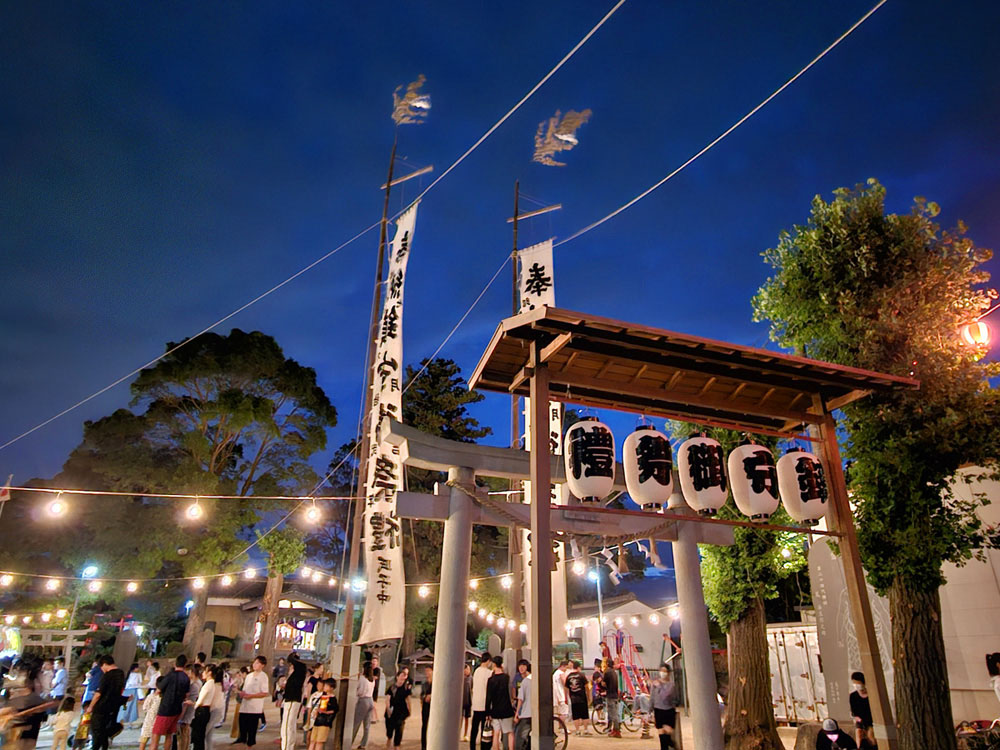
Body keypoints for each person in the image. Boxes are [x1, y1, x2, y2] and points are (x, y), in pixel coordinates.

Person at [151, 654, 191, 750]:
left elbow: (159, 690)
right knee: (169, 734)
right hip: (177, 709)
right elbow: (187, 695)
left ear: (175, 663)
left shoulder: (170, 676)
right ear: (185, 664)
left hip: (165, 709)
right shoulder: (186, 678)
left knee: (156, 735)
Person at [90, 655, 126, 750]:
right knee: (105, 732)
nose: (102, 669)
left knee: (97, 732)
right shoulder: (121, 674)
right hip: (113, 708)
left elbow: (98, 694)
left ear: (105, 664)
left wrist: (90, 707)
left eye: (102, 667)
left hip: (101, 707)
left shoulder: (107, 676)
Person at [236, 656, 269, 748]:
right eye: (254, 662)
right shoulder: (249, 676)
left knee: (251, 730)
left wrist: (251, 696)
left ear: (262, 665)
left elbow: (264, 693)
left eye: (257, 663)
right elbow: (245, 689)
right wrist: (241, 693)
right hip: (244, 706)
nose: (255, 665)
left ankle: (249, 746)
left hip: (255, 708)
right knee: (242, 727)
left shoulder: (263, 676)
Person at [191, 664, 224, 750]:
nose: (202, 673)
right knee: (203, 735)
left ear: (209, 673)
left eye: (204, 671)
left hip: (202, 710)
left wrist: (194, 705)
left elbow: (201, 700)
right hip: (205, 710)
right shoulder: (212, 683)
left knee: (199, 736)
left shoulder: (208, 684)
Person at [484, 656, 514, 750]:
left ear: (493, 664)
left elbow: (488, 697)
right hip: (507, 709)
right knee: (510, 732)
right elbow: (510, 694)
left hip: (495, 710)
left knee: (496, 733)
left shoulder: (491, 680)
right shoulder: (506, 678)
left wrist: (487, 712)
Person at [279, 652, 307, 750]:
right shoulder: (294, 675)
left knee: (287, 725)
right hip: (290, 699)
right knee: (290, 725)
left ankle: (286, 747)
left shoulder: (300, 671)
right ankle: (288, 746)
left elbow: (295, 661)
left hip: (292, 700)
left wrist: (294, 657)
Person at [651, 663, 678, 749]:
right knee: (662, 736)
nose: (663, 673)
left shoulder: (671, 685)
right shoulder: (655, 684)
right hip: (658, 710)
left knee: (667, 734)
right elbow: (652, 698)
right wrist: (649, 712)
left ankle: (672, 744)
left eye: (665, 671)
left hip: (669, 710)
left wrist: (659, 686)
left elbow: (666, 695)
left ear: (668, 673)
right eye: (661, 671)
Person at [383, 667, 411, 750]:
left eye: (404, 676)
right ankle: (389, 739)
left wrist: (410, 710)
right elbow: (388, 698)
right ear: (397, 677)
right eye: (401, 675)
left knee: (399, 728)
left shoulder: (406, 688)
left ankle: (397, 745)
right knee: (389, 728)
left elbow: (408, 699)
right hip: (391, 711)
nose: (403, 678)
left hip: (401, 712)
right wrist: (388, 708)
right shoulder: (392, 687)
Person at [177, 662, 203, 750]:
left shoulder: (194, 685)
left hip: (188, 712)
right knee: (186, 733)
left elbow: (188, 701)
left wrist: (181, 715)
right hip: (190, 712)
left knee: (184, 733)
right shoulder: (198, 683)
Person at [469, 654, 493, 750]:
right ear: (488, 661)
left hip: (476, 704)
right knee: (484, 728)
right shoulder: (489, 673)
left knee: (474, 728)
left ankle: (472, 747)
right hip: (484, 704)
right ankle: (484, 747)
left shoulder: (476, 671)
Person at [307, 680, 338, 750]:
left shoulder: (332, 698)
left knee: (319, 742)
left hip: (325, 722)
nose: (324, 687)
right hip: (317, 721)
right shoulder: (323, 696)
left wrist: (325, 712)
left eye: (327, 686)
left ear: (331, 688)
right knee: (313, 740)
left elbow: (335, 710)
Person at [351, 661, 376, 749]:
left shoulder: (362, 678)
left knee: (356, 723)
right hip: (370, 700)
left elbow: (359, 691)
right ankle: (363, 744)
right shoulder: (372, 679)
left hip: (363, 701)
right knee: (367, 725)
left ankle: (350, 742)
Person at [848, 672, 876, 749]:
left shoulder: (871, 694)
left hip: (871, 721)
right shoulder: (853, 696)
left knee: (871, 735)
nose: (856, 686)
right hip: (860, 720)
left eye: (858, 684)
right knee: (859, 732)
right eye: (854, 684)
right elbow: (854, 712)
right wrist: (857, 718)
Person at [564, 661, 590, 736]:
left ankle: (577, 730)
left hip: (573, 698)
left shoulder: (569, 676)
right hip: (582, 697)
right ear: (578, 667)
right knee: (584, 715)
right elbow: (587, 687)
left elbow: (566, 688)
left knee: (575, 715)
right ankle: (585, 730)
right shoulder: (581, 675)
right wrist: (588, 697)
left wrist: (566, 697)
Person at [513, 661, 531, 750]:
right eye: (520, 666)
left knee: (520, 737)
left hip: (526, 713)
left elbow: (520, 699)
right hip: (530, 712)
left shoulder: (525, 681)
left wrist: (517, 713)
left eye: (524, 666)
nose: (521, 668)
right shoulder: (518, 677)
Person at [139, 684, 163, 750]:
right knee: (153, 741)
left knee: (145, 740)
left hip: (150, 720)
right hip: (154, 720)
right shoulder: (162, 697)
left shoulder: (152, 696)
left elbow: (145, 708)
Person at [603, 659, 621, 738]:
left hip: (610, 695)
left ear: (607, 664)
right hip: (615, 695)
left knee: (612, 714)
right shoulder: (614, 672)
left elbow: (604, 683)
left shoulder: (607, 672)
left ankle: (617, 731)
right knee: (616, 713)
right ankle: (615, 729)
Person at [121, 663, 143, 727]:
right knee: (130, 706)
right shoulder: (136, 675)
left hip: (129, 690)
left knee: (128, 706)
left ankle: (127, 721)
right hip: (132, 691)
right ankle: (129, 721)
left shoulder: (130, 674)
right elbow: (138, 683)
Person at [552, 661, 570, 730]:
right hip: (561, 695)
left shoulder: (555, 673)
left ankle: (560, 727)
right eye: (566, 667)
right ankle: (563, 728)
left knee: (559, 712)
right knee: (563, 713)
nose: (566, 669)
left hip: (556, 696)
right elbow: (565, 683)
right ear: (563, 666)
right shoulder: (561, 673)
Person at [419, 666, 432, 750]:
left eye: (429, 671)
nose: (427, 673)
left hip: (433, 707)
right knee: (424, 725)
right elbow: (421, 695)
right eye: (426, 671)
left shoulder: (436, 682)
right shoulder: (424, 683)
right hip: (425, 705)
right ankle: (423, 746)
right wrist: (424, 697)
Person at [461, 664, 472, 741]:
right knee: (460, 719)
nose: (468, 671)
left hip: (468, 701)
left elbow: (472, 688)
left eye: (468, 669)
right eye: (467, 669)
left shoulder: (471, 678)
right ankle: (458, 734)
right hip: (461, 702)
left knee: (467, 719)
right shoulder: (460, 678)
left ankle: (465, 734)